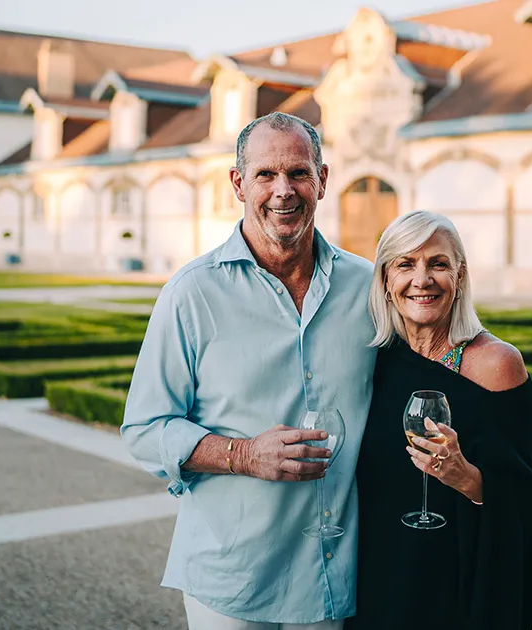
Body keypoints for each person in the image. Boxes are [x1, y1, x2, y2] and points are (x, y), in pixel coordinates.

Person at [119, 111, 377, 629]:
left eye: (299, 173)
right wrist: (242, 455)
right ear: (239, 184)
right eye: (265, 174)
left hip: (336, 579)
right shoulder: (192, 293)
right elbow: (144, 430)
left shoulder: (369, 288)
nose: (284, 190)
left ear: (322, 180)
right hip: (232, 581)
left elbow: (435, 349)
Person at [345, 210, 532, 630]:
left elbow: (527, 504)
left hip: (455, 583)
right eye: (405, 264)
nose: (422, 279)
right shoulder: (374, 361)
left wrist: (466, 478)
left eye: (438, 264)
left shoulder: (496, 365)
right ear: (385, 279)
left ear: (459, 277)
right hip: (378, 576)